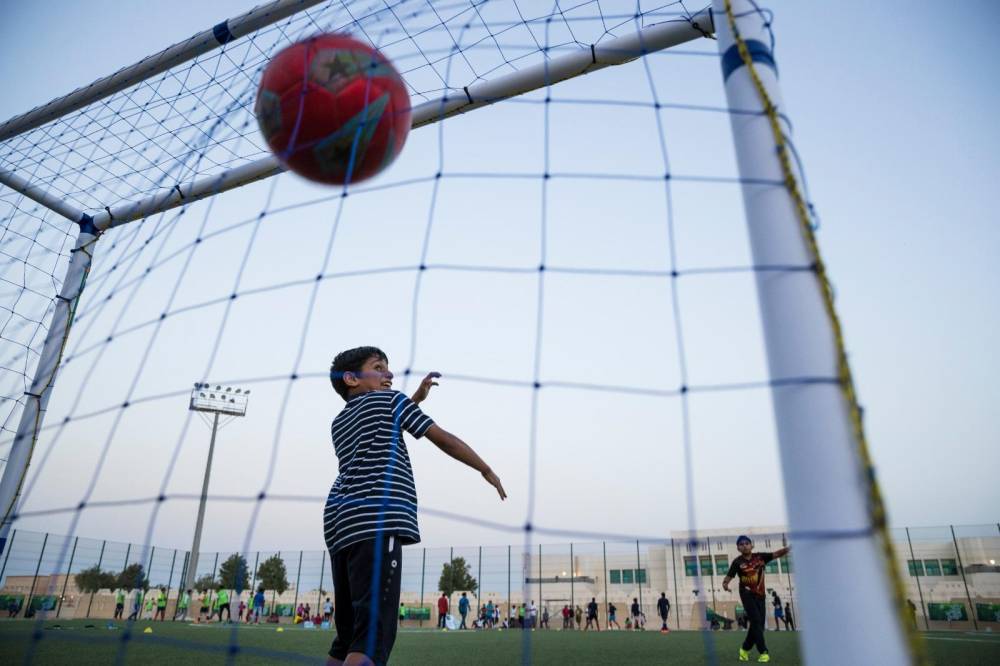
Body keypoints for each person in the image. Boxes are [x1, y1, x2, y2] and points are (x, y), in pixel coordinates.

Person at [324, 347, 506, 666]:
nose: (389, 374)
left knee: (347, 638)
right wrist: (485, 468)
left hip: (340, 524)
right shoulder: (391, 402)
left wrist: (416, 399)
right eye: (378, 367)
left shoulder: (339, 422)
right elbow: (443, 438)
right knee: (370, 640)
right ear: (351, 378)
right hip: (375, 520)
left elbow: (385, 421)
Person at [722, 535, 791, 663]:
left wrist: (788, 548)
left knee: (758, 625)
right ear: (738, 548)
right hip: (746, 594)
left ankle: (744, 649)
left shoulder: (760, 557)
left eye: (746, 543)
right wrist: (725, 584)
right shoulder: (737, 562)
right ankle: (763, 652)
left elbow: (776, 554)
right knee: (756, 621)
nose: (744, 546)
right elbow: (729, 576)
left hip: (760, 595)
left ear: (751, 545)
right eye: (741, 544)